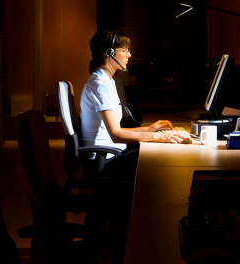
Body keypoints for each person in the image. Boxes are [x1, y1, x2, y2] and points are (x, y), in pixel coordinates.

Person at [79, 29, 191, 181]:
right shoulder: (100, 85)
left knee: (161, 152)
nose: (129, 55)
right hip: (106, 161)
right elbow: (116, 134)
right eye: (125, 50)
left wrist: (149, 129)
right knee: (162, 158)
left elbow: (115, 130)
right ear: (109, 53)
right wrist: (160, 137)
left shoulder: (105, 80)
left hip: (110, 155)